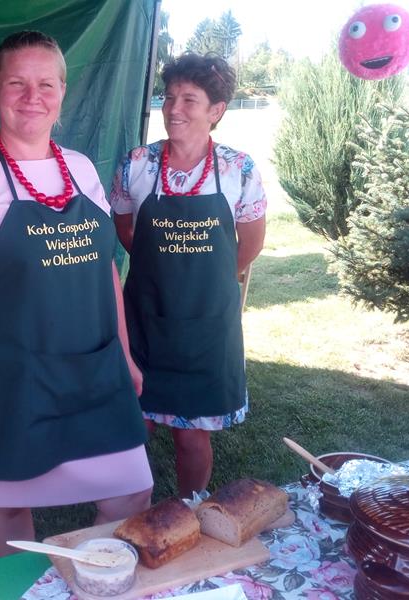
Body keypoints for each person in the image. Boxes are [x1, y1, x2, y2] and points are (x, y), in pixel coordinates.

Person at [0, 30, 152, 558]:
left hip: (92, 369)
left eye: (46, 84)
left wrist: (123, 354)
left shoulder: (81, 169)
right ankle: (26, 590)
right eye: (17, 84)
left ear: (63, 92)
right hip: (10, 379)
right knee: (9, 509)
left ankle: (90, 580)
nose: (33, 97)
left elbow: (105, 273)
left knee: (131, 493)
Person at [110, 53, 266, 498]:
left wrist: (206, 279)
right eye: (169, 97)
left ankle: (189, 509)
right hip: (145, 318)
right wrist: (165, 271)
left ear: (216, 110)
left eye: (189, 100)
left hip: (207, 327)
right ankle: (127, 511)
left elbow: (250, 243)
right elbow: (125, 228)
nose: (173, 109)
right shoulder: (137, 164)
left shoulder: (239, 169)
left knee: (192, 436)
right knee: (133, 425)